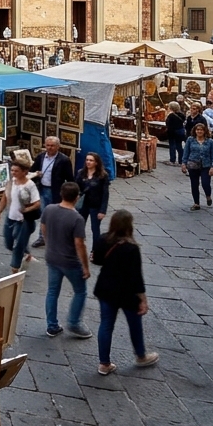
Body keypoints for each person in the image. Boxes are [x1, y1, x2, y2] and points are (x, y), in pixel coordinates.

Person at [91, 210, 160, 375]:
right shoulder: (131, 248)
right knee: (135, 325)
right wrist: (143, 299)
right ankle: (141, 356)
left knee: (106, 325)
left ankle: (104, 363)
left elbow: (97, 260)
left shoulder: (102, 239)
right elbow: (136, 277)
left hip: (106, 288)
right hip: (127, 293)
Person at [40, 182, 91, 338]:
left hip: (52, 257)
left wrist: (49, 244)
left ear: (61, 194)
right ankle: (74, 322)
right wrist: (86, 267)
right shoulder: (77, 218)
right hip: (70, 261)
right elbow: (79, 244)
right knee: (80, 291)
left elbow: (43, 227)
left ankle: (52, 325)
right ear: (77, 198)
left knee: (52, 291)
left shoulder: (49, 209)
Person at [0, 161, 40, 273]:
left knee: (18, 245)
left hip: (23, 220)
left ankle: (15, 269)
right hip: (10, 217)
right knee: (8, 242)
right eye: (12, 170)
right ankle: (26, 254)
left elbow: (37, 203)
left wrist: (26, 210)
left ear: (24, 172)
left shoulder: (30, 185)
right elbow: (4, 197)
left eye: (16, 171)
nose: (13, 173)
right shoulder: (11, 182)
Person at [30, 137, 73, 248]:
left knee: (54, 216)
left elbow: (70, 178)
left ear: (58, 147)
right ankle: (42, 237)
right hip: (42, 189)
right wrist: (36, 174)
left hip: (56, 192)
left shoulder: (64, 160)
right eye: (47, 145)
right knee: (44, 214)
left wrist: (69, 194)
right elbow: (31, 172)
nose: (49, 148)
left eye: (52, 145)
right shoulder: (40, 157)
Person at [182, 121, 213, 211]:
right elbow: (186, 152)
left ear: (205, 131)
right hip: (193, 164)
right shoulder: (190, 140)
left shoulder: (210, 142)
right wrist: (184, 163)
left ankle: (208, 195)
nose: (199, 131)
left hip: (206, 165)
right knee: (194, 184)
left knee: (205, 183)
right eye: (198, 130)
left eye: (201, 130)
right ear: (195, 131)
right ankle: (196, 203)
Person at [75, 152, 110, 244]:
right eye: (87, 160)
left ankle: (95, 251)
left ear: (96, 162)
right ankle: (78, 246)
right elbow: (76, 187)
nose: (88, 162)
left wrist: (103, 210)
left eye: (91, 160)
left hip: (96, 205)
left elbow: (105, 194)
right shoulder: (81, 173)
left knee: (95, 229)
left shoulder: (102, 176)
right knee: (79, 226)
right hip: (83, 205)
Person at [164, 101, 186, 165]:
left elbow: (168, 124)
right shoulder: (181, 114)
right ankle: (181, 161)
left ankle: (172, 160)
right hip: (180, 131)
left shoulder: (171, 115)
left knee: (172, 146)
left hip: (173, 132)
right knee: (179, 146)